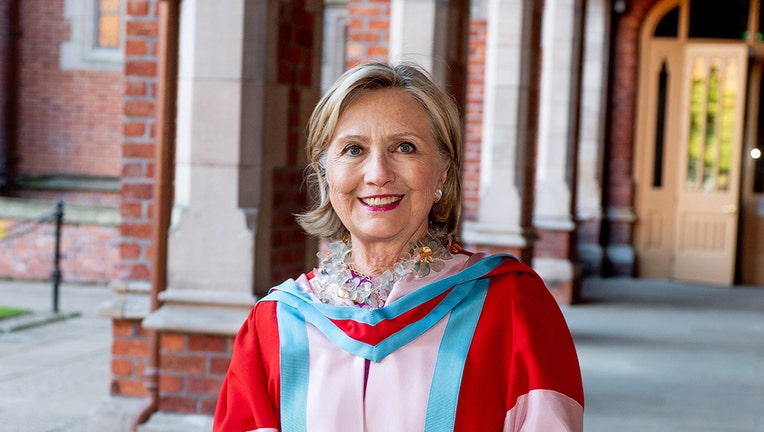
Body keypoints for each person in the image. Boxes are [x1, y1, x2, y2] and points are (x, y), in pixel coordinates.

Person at [213, 62, 584, 431]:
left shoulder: (511, 305)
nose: (377, 173)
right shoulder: (275, 327)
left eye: (405, 147)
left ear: (442, 170)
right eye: (353, 149)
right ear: (326, 174)